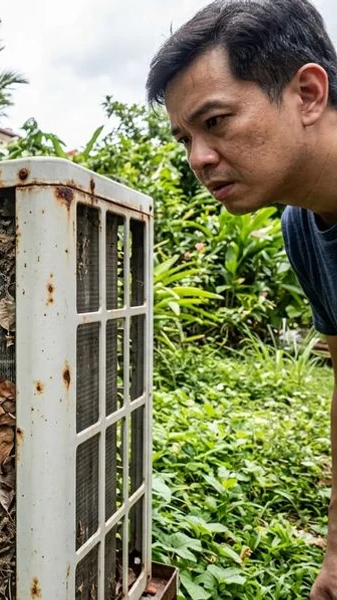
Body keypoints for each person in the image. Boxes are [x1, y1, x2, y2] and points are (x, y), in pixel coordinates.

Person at [145, 0, 337, 597]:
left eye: (216, 122)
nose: (197, 159)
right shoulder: (301, 226)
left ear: (307, 93)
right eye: (185, 137)